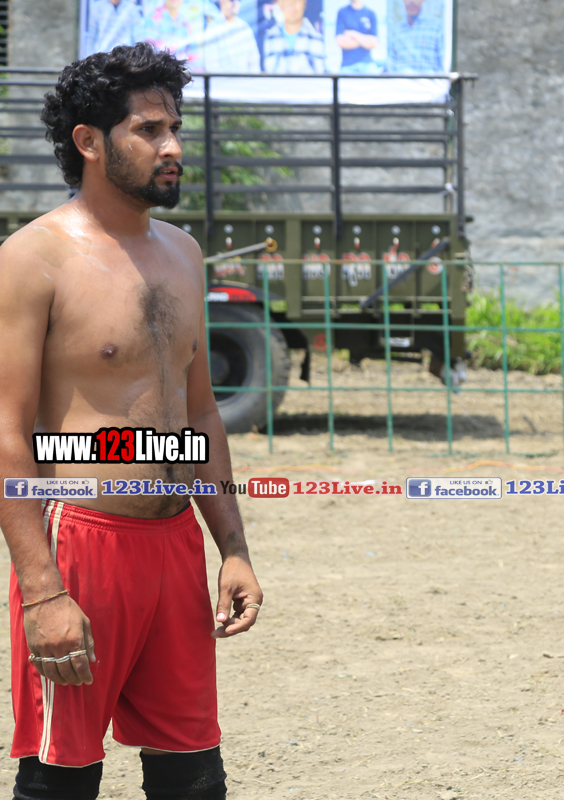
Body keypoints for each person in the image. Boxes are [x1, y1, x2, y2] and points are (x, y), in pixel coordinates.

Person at [0, 43, 263, 799]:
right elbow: (7, 432)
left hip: (175, 544)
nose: (172, 146)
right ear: (90, 141)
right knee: (61, 778)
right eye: (149, 130)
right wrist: (43, 591)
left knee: (193, 776)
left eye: (174, 127)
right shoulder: (32, 258)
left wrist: (233, 548)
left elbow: (200, 412)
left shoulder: (184, 253)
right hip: (82, 542)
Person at [140, 0, 206, 71]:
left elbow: (194, 55)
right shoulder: (153, 18)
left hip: (182, 72)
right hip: (160, 72)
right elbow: (148, 50)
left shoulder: (185, 23)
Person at [262, 0, 326, 74]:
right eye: (287, 1)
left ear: (304, 3)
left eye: (297, 1)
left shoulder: (319, 39)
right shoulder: (268, 38)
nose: (292, 5)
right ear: (280, 4)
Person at [201, 0, 261, 73]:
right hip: (222, 80)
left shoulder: (245, 28)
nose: (236, 2)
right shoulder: (213, 29)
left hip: (245, 79)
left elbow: (254, 62)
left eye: (239, 0)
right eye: (232, 0)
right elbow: (212, 68)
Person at [387, 0, 443, 74]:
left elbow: (444, 68)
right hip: (400, 81)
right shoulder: (396, 31)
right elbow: (391, 69)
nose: (411, 1)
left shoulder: (438, 27)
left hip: (431, 81)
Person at [336, 0, 380, 73]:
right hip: (347, 66)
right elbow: (340, 42)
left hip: (368, 64)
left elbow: (373, 43)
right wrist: (365, 40)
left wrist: (353, 34)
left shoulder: (370, 13)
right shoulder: (342, 12)